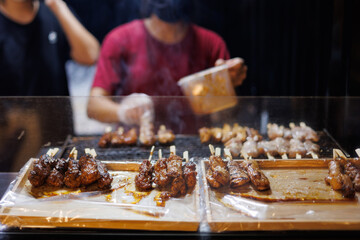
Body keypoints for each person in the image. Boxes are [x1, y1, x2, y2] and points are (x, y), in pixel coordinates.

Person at [87, 0, 247, 129]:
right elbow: (93, 106)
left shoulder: (212, 43)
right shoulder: (119, 39)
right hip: (134, 145)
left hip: (194, 149)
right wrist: (122, 111)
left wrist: (226, 88)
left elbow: (226, 117)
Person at [0, 0, 100, 96]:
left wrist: (57, 5)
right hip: (8, 112)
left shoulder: (52, 11)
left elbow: (90, 56)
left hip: (55, 111)